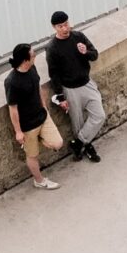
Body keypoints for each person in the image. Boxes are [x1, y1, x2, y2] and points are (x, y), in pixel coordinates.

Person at [46, 12, 104, 162]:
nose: (65, 28)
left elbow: (94, 55)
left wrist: (85, 52)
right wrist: (60, 96)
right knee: (77, 123)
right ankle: (87, 146)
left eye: (66, 24)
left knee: (99, 116)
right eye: (61, 26)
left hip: (86, 83)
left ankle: (78, 143)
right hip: (70, 89)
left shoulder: (78, 36)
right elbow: (54, 74)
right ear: (54, 27)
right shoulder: (52, 48)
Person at [4, 43, 62, 191]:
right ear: (25, 60)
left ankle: (39, 139)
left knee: (57, 143)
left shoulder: (32, 68)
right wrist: (18, 131)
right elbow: (13, 109)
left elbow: (38, 87)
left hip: (42, 116)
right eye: (33, 55)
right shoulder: (12, 82)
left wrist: (44, 106)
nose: (35, 56)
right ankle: (39, 180)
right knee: (32, 155)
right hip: (28, 125)